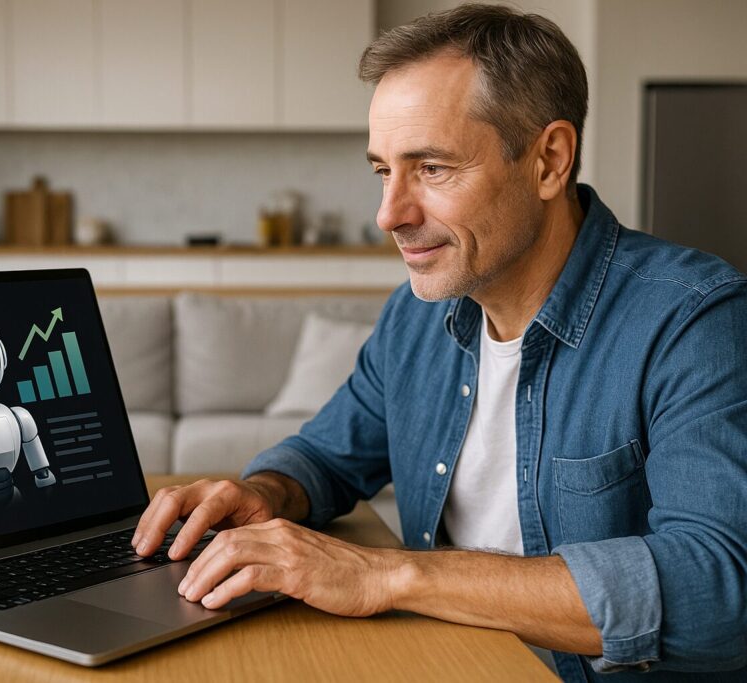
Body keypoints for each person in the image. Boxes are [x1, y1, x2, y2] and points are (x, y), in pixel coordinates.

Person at [132, 4, 747, 680]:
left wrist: (388, 574)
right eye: (382, 170)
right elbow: (328, 456)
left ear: (549, 160)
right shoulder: (417, 318)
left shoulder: (694, 319)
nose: (389, 213)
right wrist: (267, 492)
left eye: (430, 168)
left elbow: (718, 591)